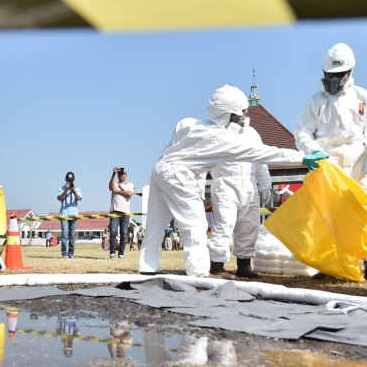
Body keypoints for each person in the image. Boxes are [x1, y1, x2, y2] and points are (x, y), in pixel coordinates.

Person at [138, 85, 325, 278]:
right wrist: (302, 158)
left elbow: (173, 146)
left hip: (160, 170)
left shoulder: (189, 123)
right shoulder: (224, 139)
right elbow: (263, 153)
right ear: (230, 115)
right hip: (182, 177)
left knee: (155, 223)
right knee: (195, 225)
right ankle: (201, 273)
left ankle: (147, 267)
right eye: (241, 114)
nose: (244, 118)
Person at [294, 42, 367, 284]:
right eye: (330, 75)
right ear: (324, 74)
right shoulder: (315, 102)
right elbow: (302, 132)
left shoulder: (363, 97)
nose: (334, 79)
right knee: (329, 216)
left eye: (339, 75)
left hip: (361, 165)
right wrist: (313, 151)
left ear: (350, 72)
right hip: (329, 164)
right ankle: (331, 264)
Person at [207, 155, 272, 279]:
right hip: (225, 183)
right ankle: (216, 265)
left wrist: (266, 185)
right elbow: (206, 157)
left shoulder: (252, 135)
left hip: (250, 185)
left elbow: (260, 160)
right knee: (224, 224)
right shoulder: (216, 135)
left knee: (249, 226)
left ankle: (244, 266)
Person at [108, 167, 134, 259]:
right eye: (119, 174)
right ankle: (112, 253)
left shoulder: (129, 184)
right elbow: (111, 188)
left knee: (124, 233)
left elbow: (129, 194)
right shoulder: (114, 183)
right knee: (113, 232)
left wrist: (117, 191)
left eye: (122, 174)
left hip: (125, 212)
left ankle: (121, 253)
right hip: (115, 210)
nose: (121, 175)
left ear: (125, 175)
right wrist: (113, 174)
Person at [56, 171, 81, 259]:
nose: (69, 182)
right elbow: (59, 198)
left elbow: (79, 198)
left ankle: (71, 253)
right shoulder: (61, 188)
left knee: (72, 235)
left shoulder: (77, 188)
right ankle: (64, 253)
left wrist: (73, 190)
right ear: (65, 180)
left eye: (71, 180)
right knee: (65, 235)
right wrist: (66, 190)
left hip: (74, 215)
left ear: (73, 180)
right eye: (68, 180)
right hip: (64, 215)